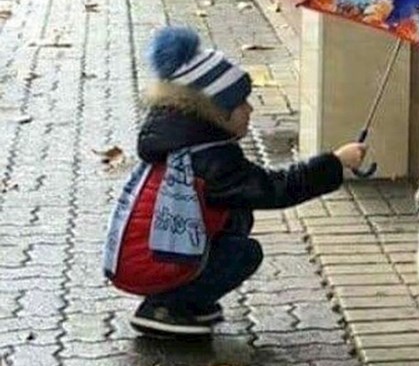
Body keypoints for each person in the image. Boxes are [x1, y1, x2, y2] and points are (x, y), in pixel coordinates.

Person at [127, 26, 366, 337]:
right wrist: (336, 162)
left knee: (236, 217)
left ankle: (181, 298)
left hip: (145, 255)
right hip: (149, 261)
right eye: (241, 104)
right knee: (243, 253)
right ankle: (168, 305)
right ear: (218, 112)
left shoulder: (183, 145)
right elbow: (276, 188)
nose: (251, 110)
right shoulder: (210, 161)